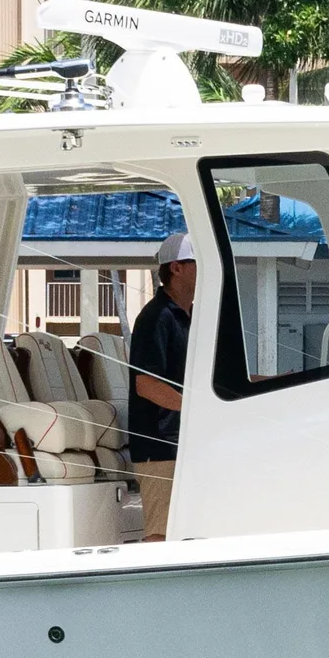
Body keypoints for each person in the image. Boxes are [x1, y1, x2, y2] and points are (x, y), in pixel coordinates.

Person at [128, 229, 195, 541]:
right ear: (176, 268)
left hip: (183, 442)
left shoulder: (188, 317)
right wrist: (197, 409)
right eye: (197, 262)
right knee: (160, 533)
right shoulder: (156, 317)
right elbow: (146, 384)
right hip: (160, 445)